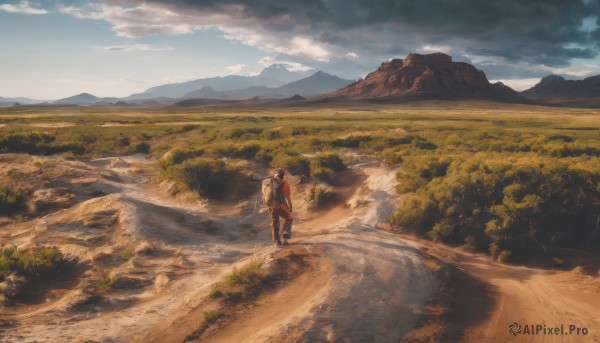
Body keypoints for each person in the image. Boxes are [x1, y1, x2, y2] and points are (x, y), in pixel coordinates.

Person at [270, 168, 293, 246]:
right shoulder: (284, 184)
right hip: (281, 205)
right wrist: (290, 207)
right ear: (283, 176)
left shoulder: (270, 183)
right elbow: (287, 197)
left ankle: (277, 242)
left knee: (275, 221)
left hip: (271, 205)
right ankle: (285, 238)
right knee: (290, 217)